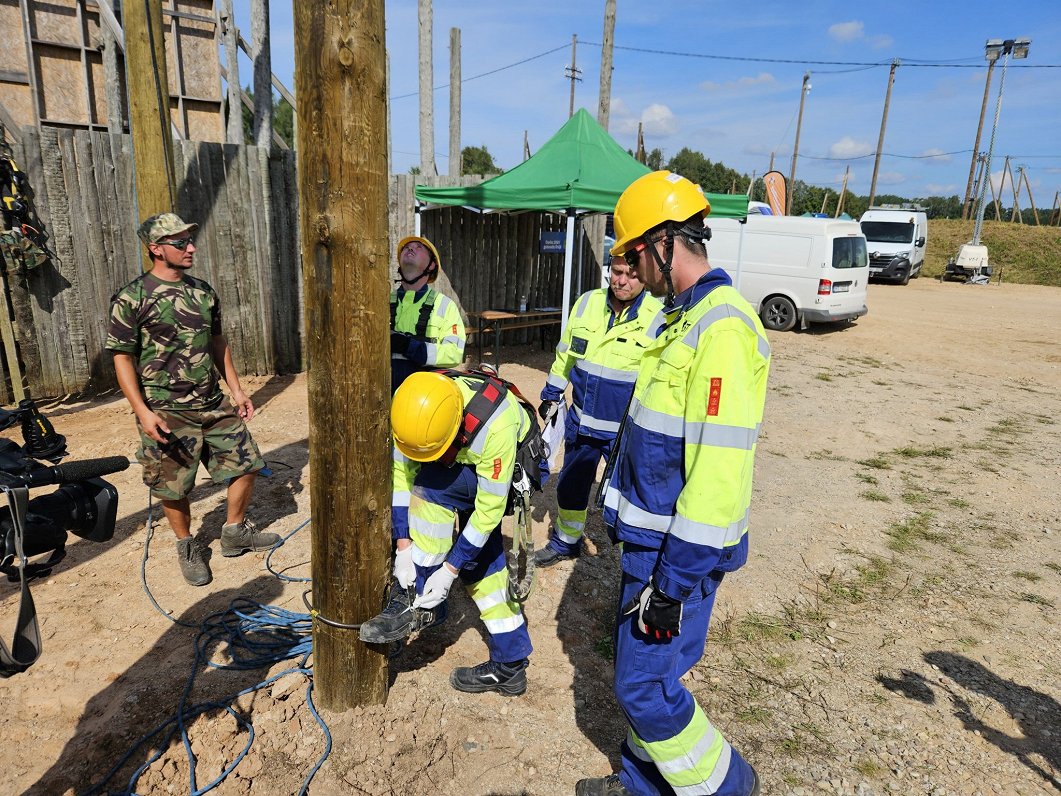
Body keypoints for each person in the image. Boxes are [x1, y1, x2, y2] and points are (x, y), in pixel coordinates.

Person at [575, 171, 769, 796]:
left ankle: (727, 788)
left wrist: (674, 582)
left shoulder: (722, 328)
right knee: (652, 679)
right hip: (651, 545)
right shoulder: (678, 317)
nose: (630, 267)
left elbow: (719, 473)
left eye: (633, 252)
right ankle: (641, 785)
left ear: (662, 242)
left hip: (675, 557)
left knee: (641, 685)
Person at [106, 213, 279, 587]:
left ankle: (234, 533)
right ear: (156, 248)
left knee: (247, 464)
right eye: (180, 242)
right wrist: (143, 413)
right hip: (166, 409)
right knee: (173, 485)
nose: (191, 248)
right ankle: (186, 545)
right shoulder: (131, 297)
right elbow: (122, 357)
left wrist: (236, 389)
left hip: (213, 401)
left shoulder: (202, 291)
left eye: (189, 239)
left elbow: (218, 343)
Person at [360, 370, 535, 696]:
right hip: (466, 455)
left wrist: (450, 569)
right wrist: (402, 545)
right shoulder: (411, 408)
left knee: (433, 491)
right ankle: (509, 662)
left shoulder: (494, 428)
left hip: (508, 465)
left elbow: (487, 513)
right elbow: (401, 474)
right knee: (482, 559)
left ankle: (420, 598)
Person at [534, 255, 662, 567]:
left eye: (631, 275)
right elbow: (566, 353)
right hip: (581, 423)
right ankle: (566, 541)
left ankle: (632, 561)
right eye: (617, 272)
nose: (621, 280)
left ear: (644, 277)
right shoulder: (587, 303)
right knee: (571, 486)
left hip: (624, 433)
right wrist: (552, 392)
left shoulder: (657, 316)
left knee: (627, 497)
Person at [390, 235, 466, 393]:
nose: (410, 248)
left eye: (419, 247)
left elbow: (454, 353)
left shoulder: (445, 306)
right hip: (382, 396)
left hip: (424, 400)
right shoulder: (380, 301)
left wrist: (410, 347)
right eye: (406, 247)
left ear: (431, 266)